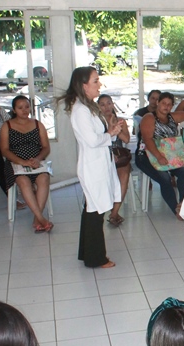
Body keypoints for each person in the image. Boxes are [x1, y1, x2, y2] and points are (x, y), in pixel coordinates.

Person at [58, 66, 124, 269]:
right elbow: (92, 140)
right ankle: (96, 258)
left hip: (100, 163)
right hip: (92, 166)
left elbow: (96, 137)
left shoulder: (87, 107)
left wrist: (110, 131)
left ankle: (87, 253)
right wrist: (111, 134)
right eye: (95, 81)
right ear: (84, 86)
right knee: (96, 211)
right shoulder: (80, 110)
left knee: (92, 209)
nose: (99, 85)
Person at [0, 95, 53, 233]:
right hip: (16, 164)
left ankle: (38, 218)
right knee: (24, 181)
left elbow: (46, 147)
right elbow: (4, 149)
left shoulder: (37, 124)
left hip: (36, 163)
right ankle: (41, 219)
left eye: (27, 107)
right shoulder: (7, 126)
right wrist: (22, 162)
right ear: (14, 109)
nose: (24, 110)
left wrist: (38, 158)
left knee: (44, 178)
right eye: (20, 108)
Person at [138, 92, 184, 217]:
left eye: (169, 104)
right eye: (163, 103)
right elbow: (147, 140)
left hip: (170, 155)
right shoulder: (149, 118)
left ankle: (183, 205)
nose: (166, 107)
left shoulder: (172, 117)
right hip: (147, 155)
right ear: (158, 103)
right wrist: (159, 157)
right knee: (165, 178)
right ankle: (176, 209)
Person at [98, 94, 132, 226]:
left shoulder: (121, 121)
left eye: (109, 103)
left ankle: (114, 212)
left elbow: (126, 140)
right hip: (102, 156)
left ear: (113, 104)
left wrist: (115, 128)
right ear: (98, 107)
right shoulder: (96, 122)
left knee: (124, 174)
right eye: (102, 104)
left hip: (120, 157)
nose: (106, 107)